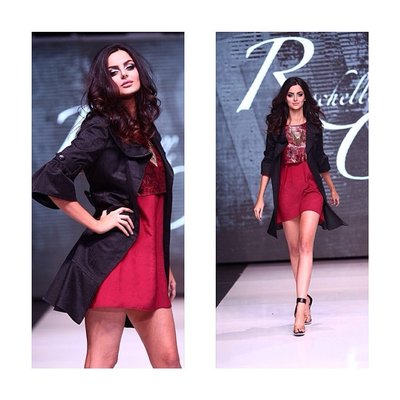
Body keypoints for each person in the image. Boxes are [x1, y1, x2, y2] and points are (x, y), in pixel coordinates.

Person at [32, 43, 181, 368]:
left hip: (149, 261)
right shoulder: (100, 126)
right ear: (104, 82)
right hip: (113, 260)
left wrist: (164, 263)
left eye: (129, 66)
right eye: (113, 72)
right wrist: (96, 222)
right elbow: (51, 176)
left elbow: (154, 207)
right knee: (102, 361)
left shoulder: (146, 128)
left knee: (169, 362)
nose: (124, 75)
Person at [253, 77, 346, 336]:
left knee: (306, 245)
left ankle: (299, 306)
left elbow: (320, 158)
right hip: (286, 188)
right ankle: (306, 297)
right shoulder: (276, 126)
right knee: (294, 249)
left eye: (299, 94)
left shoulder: (314, 126)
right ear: (285, 98)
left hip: (310, 187)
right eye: (291, 94)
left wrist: (331, 187)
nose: (295, 98)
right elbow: (268, 161)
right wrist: (260, 197)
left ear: (305, 97)